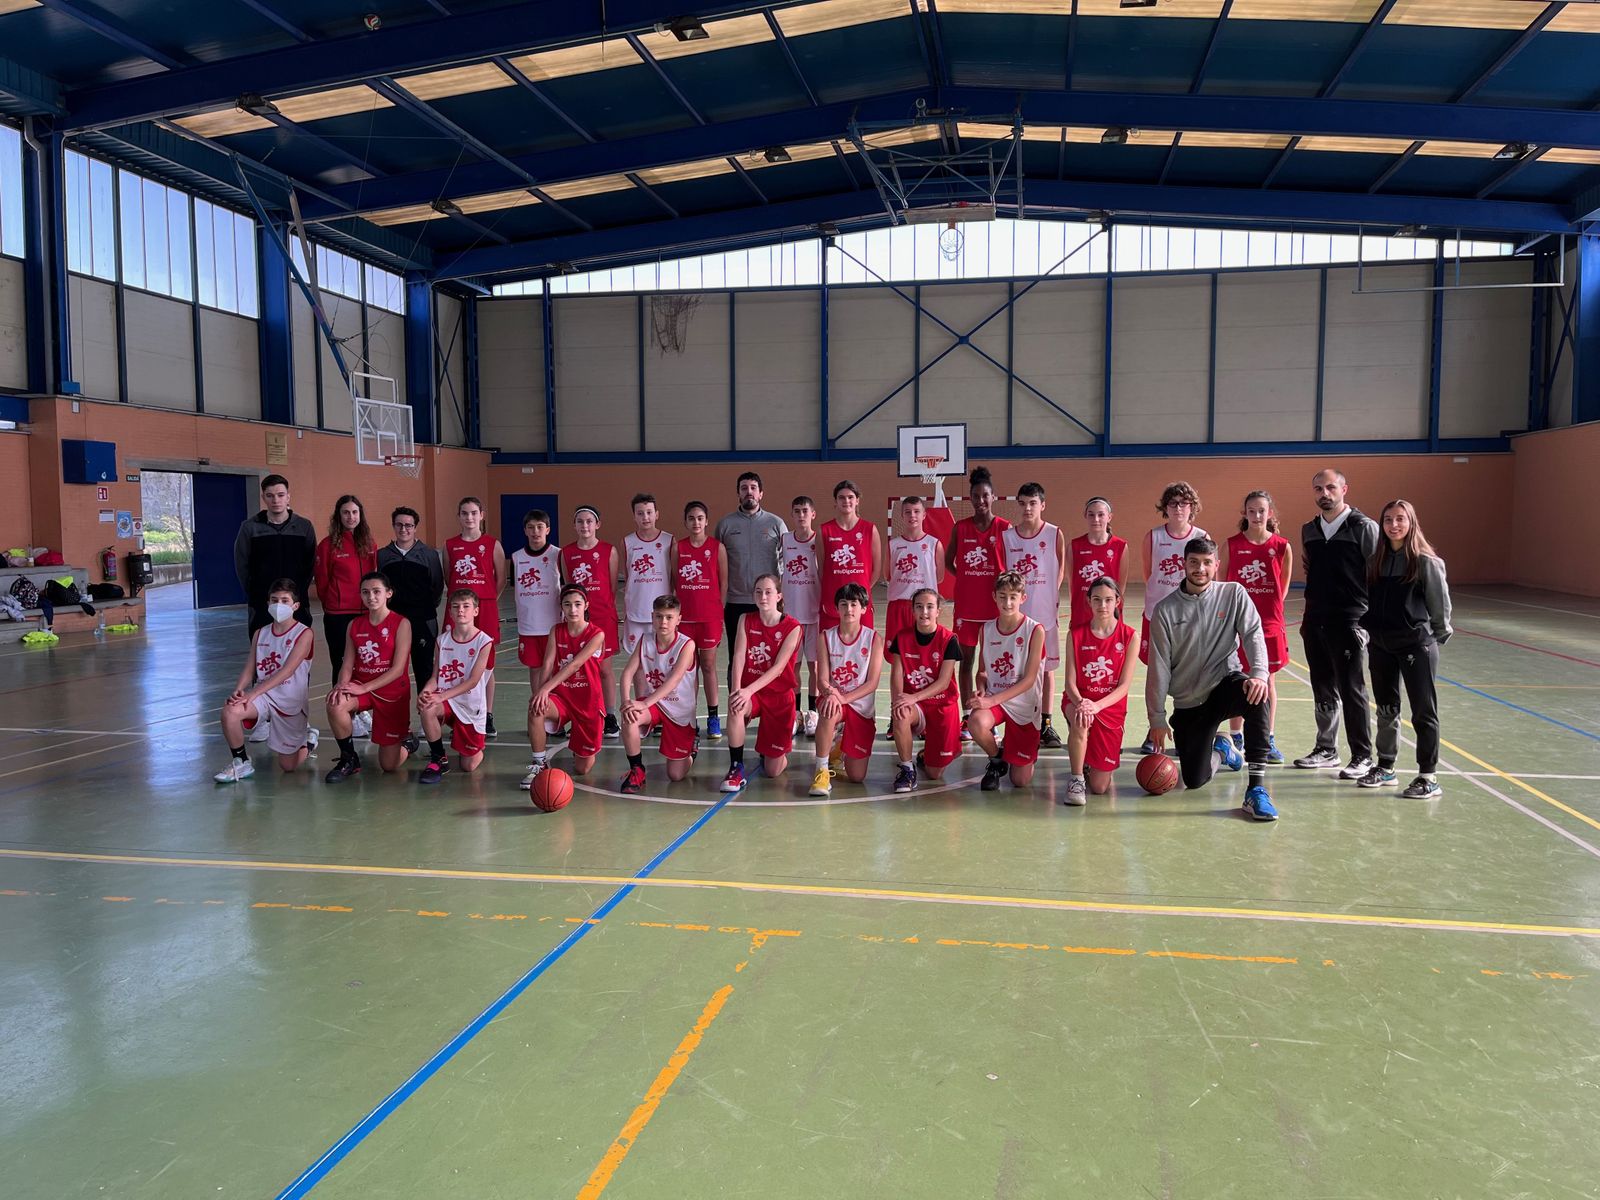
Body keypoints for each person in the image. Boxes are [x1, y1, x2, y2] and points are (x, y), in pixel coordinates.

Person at [1144, 538, 1278, 822]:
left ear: (1217, 565)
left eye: (1207, 563)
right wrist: (1157, 717)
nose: (1200, 569)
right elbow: (1158, 668)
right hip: (1190, 703)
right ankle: (1222, 750)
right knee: (1195, 779)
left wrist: (1259, 673)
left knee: (1257, 695)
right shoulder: (1165, 610)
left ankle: (1256, 789)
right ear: (1184, 564)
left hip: (1224, 685)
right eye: (1194, 562)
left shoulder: (1233, 594)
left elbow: (1253, 633)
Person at [1360, 499, 1453, 798]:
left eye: (1400, 519)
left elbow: (1440, 607)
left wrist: (1432, 639)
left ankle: (1428, 776)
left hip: (1416, 646)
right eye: (1388, 519)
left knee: (1423, 712)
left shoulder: (1426, 562)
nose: (1394, 525)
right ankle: (1386, 767)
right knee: (1386, 708)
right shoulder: (1375, 561)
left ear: (1411, 523)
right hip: (1381, 646)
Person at [1295, 469, 1381, 779]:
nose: (1324, 493)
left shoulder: (1364, 527)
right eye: (1318, 488)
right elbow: (1312, 569)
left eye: (1330, 487)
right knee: (1322, 686)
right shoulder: (1309, 530)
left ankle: (1362, 755)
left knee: (1351, 687)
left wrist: (1371, 621)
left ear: (1344, 489)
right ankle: (1326, 749)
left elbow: (1377, 575)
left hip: (1350, 619)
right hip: (1316, 618)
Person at [214, 578, 316, 782]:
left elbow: (287, 671)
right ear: (268, 603)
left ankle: (309, 741)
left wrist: (251, 694)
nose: (279, 605)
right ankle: (241, 762)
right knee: (230, 711)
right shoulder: (260, 633)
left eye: (285, 601)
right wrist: (239, 689)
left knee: (288, 766)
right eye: (274, 600)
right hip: (264, 697)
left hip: (290, 700)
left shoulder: (304, 634)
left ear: (295, 606)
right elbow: (250, 667)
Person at [324, 572, 415, 783]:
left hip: (391, 691)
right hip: (361, 685)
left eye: (376, 591)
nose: (371, 597)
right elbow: (347, 664)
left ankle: (407, 743)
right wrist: (342, 685)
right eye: (365, 592)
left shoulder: (401, 623)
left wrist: (364, 688)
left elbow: (398, 669)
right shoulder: (354, 625)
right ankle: (349, 759)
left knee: (389, 766)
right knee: (336, 703)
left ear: (388, 593)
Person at [1222, 491, 1292, 764]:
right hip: (1238, 623)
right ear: (1245, 513)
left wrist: (1269, 614)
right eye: (1251, 511)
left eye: (1262, 510)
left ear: (1270, 513)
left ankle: (1267, 737)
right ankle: (1236, 736)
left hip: (1269, 624)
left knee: (1267, 680)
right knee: (1239, 679)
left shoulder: (1282, 546)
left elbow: (1282, 588)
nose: (1257, 515)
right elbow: (1222, 586)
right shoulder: (1232, 545)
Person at [1138, 481, 1207, 753]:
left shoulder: (1201, 536)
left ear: (1192, 507)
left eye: (1183, 503)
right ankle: (1153, 729)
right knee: (1156, 674)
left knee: (1188, 675)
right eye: (1173, 503)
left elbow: (1206, 578)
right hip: (1157, 615)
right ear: (1165, 508)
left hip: (1190, 616)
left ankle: (1184, 729)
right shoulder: (1153, 537)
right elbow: (1149, 574)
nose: (1178, 508)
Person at [1061, 576, 1139, 806]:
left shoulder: (1129, 636)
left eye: (1108, 599)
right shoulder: (1075, 635)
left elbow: (1124, 686)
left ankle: (1091, 758)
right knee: (1081, 720)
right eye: (1096, 599)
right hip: (1079, 700)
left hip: (1109, 706)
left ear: (1117, 601)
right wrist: (1082, 703)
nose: (1102, 605)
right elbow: (1069, 683)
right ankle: (1076, 779)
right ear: (1089, 601)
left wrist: (1096, 706)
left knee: (1099, 786)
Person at [721, 573, 803, 792]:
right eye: (758, 592)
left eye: (768, 592)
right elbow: (738, 656)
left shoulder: (793, 627)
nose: (763, 597)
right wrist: (736, 691)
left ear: (779, 596)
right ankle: (736, 767)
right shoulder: (745, 619)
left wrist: (747, 690)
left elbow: (778, 669)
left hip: (779, 698)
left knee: (772, 770)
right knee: (736, 706)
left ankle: (775, 752)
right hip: (754, 694)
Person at [1001, 482, 1067, 750]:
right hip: (1017, 618)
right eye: (1023, 503)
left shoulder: (1054, 533)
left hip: (1045, 614)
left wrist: (1050, 597)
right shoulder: (1008, 537)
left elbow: (1060, 569)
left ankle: (1046, 724)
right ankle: (1016, 723)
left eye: (1033, 503)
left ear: (1043, 505)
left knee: (1047, 670)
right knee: (1016, 671)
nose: (1027, 508)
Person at [968, 571, 1045, 791]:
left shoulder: (1035, 630)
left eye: (1013, 597)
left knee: (1020, 781)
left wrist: (990, 701)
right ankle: (996, 759)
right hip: (997, 701)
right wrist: (981, 690)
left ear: (1023, 598)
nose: (1007, 602)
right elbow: (982, 672)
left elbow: (1029, 680)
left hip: (1024, 706)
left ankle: (1024, 748)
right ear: (994, 596)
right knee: (976, 722)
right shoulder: (986, 630)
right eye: (1002, 596)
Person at [945, 466, 1009, 732]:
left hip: (994, 609)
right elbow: (948, 561)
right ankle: (966, 714)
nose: (980, 500)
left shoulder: (1004, 528)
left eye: (985, 495)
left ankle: (990, 713)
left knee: (991, 665)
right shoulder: (960, 528)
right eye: (975, 496)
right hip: (967, 608)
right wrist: (965, 578)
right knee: (966, 662)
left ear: (993, 497)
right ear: (970, 498)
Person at [617, 594, 700, 794]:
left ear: (678, 619)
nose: (663, 622)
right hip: (655, 704)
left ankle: (691, 750)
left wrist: (644, 703)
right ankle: (637, 769)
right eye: (659, 616)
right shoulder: (645, 640)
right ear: (652, 617)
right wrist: (626, 701)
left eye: (669, 617)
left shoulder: (687, 645)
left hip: (679, 711)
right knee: (630, 716)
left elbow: (674, 680)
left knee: (675, 775)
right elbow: (627, 673)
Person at [526, 584, 606, 782]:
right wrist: (540, 693)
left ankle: (579, 745)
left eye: (578, 604)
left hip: (588, 702)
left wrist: (545, 688)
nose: (573, 609)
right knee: (536, 708)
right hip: (562, 698)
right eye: (567, 604)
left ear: (586, 605)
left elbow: (575, 665)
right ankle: (539, 763)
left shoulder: (597, 634)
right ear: (561, 606)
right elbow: (547, 664)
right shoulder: (556, 630)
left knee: (582, 769)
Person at [715, 471, 788, 689]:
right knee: (737, 657)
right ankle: (736, 699)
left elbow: (787, 560)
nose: (749, 492)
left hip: (768, 603)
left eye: (753, 488)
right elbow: (717, 563)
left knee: (768, 657)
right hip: (736, 602)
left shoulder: (776, 523)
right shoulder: (725, 525)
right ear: (738, 493)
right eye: (744, 488)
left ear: (761, 493)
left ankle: (766, 701)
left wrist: (781, 595)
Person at [811, 583, 884, 797]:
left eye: (854, 604)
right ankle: (821, 771)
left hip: (861, 707)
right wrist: (831, 694)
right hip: (835, 701)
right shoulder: (826, 637)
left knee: (856, 777)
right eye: (843, 604)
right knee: (829, 709)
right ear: (836, 608)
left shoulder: (874, 639)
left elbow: (872, 683)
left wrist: (843, 698)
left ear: (864, 609)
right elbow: (822, 680)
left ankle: (839, 746)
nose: (849, 609)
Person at [888, 587, 962, 794]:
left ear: (938, 611)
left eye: (930, 607)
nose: (924, 612)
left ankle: (926, 755)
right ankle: (907, 769)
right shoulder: (902, 638)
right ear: (913, 611)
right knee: (901, 713)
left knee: (934, 773)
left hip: (942, 704)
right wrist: (898, 701)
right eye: (919, 607)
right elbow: (896, 675)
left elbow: (944, 682)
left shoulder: (949, 639)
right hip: (916, 704)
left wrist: (914, 697)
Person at [415, 589, 494, 785]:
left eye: (466, 606)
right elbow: (436, 676)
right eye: (456, 607)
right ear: (449, 611)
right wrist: (426, 691)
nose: (461, 610)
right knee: (427, 707)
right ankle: (439, 758)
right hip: (447, 702)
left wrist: (441, 696)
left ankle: (475, 747)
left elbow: (473, 681)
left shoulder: (484, 641)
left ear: (476, 611)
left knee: (468, 765)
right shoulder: (442, 640)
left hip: (470, 706)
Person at [444, 497, 507, 738]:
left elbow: (501, 579)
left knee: (487, 663)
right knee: (456, 663)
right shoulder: (450, 545)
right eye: (464, 513)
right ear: (458, 516)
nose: (469, 517)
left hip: (485, 608)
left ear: (481, 515)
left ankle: (486, 714)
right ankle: (458, 715)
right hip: (458, 609)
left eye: (473, 513)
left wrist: (485, 601)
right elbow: (448, 577)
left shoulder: (492, 544)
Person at [560, 505, 622, 739]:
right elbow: (569, 587)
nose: (584, 526)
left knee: (604, 669)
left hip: (603, 616)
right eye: (580, 521)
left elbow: (612, 586)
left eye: (589, 521)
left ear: (597, 524)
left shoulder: (608, 550)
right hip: (578, 619)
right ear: (574, 525)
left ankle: (609, 716)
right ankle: (581, 716)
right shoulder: (566, 552)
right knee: (579, 669)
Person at [512, 509, 562, 787]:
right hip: (529, 626)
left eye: (540, 527)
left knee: (555, 671)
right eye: (530, 527)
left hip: (553, 624)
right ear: (525, 530)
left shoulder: (557, 555)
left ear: (548, 529)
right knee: (536, 672)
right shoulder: (517, 557)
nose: (535, 532)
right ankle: (540, 716)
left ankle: (557, 718)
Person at [672, 500, 728, 740]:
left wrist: (718, 611)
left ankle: (713, 717)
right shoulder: (678, 547)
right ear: (685, 522)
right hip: (685, 619)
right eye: (691, 518)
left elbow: (723, 582)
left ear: (706, 521)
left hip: (708, 618)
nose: (696, 522)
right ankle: (689, 717)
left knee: (708, 665)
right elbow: (674, 581)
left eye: (700, 518)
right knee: (688, 669)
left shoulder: (717, 547)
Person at [234, 473, 316, 637]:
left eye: (280, 495)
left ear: (288, 497)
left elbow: (310, 563)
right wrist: (255, 591)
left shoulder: (304, 526)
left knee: (298, 648)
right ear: (263, 497)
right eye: (270, 495)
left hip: (296, 602)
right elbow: (241, 564)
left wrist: (298, 590)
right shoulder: (249, 527)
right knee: (262, 648)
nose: (276, 500)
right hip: (262, 603)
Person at [377, 506, 445, 693]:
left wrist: (423, 608)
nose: (403, 529)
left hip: (423, 620)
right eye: (399, 525)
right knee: (391, 670)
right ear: (393, 526)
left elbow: (437, 586)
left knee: (424, 670)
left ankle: (426, 710)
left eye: (408, 525)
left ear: (415, 527)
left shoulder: (429, 555)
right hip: (393, 621)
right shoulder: (383, 555)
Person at [313, 494, 377, 686]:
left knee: (365, 663)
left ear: (360, 515)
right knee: (341, 663)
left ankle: (362, 703)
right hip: (338, 615)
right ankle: (339, 701)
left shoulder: (370, 544)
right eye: (346, 512)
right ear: (338, 516)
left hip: (365, 613)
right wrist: (333, 602)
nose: (351, 517)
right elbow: (322, 581)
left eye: (355, 512)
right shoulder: (327, 545)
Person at [779, 496, 821, 735]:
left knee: (815, 666)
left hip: (814, 613)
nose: (801, 515)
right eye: (797, 511)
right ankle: (795, 713)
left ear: (813, 514)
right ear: (792, 515)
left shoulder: (819, 540)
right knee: (793, 667)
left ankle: (813, 712)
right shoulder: (785, 540)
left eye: (805, 511)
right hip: (792, 615)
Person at [819, 480, 881, 635]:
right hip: (832, 602)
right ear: (835, 501)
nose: (846, 501)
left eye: (850, 497)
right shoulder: (824, 530)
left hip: (860, 602)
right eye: (841, 497)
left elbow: (876, 570)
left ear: (857, 500)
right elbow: (821, 568)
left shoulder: (870, 529)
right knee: (829, 646)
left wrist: (860, 590)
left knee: (863, 646)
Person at [622, 493, 673, 657]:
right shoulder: (627, 542)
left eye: (649, 512)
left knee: (662, 658)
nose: (645, 517)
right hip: (636, 610)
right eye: (640, 513)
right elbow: (627, 576)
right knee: (637, 659)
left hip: (662, 610)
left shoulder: (669, 541)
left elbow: (674, 577)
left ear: (657, 514)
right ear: (634, 516)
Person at [1068, 496, 1128, 631]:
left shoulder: (1120, 546)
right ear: (1085, 516)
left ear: (1109, 517)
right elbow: (1073, 584)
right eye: (1091, 515)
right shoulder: (1074, 546)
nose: (1096, 519)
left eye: (1101, 515)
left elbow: (1121, 586)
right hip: (1082, 610)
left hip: (1107, 610)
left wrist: (1109, 604)